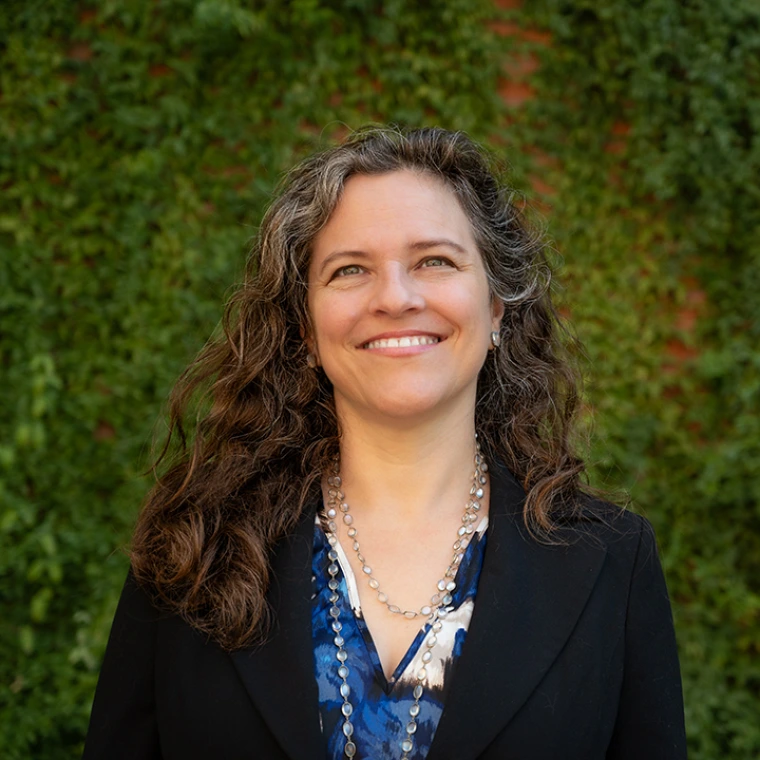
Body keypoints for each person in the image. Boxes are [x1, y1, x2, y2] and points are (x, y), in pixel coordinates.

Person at [83, 127, 687, 760]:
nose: (396, 297)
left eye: (435, 261)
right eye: (350, 270)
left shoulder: (612, 562)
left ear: (497, 309)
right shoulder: (193, 551)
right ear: (307, 331)